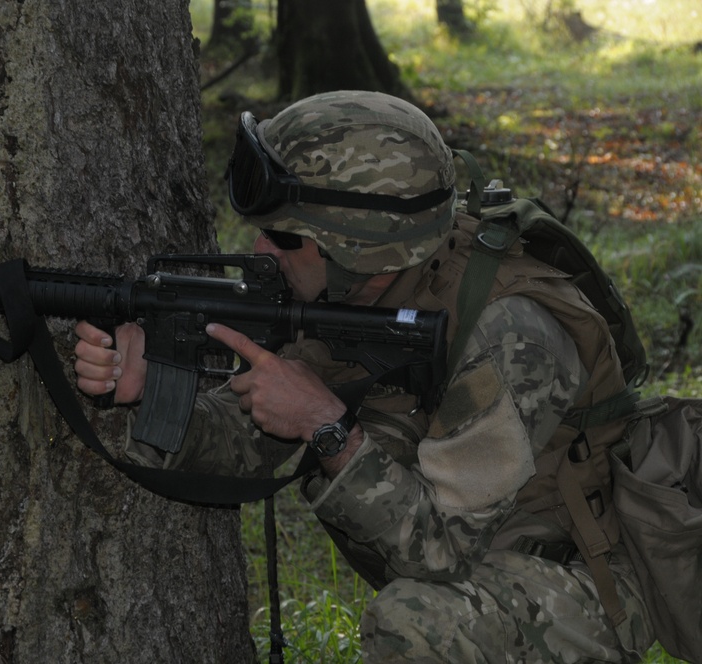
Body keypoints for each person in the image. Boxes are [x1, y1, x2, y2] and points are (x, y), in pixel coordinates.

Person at [73, 90, 656, 662]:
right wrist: (150, 388)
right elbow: (242, 439)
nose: (258, 248)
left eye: (284, 237)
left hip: (583, 583)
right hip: (487, 561)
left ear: (355, 250)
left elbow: (438, 550)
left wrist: (328, 428)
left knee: (417, 624)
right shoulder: (355, 295)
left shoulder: (508, 336)